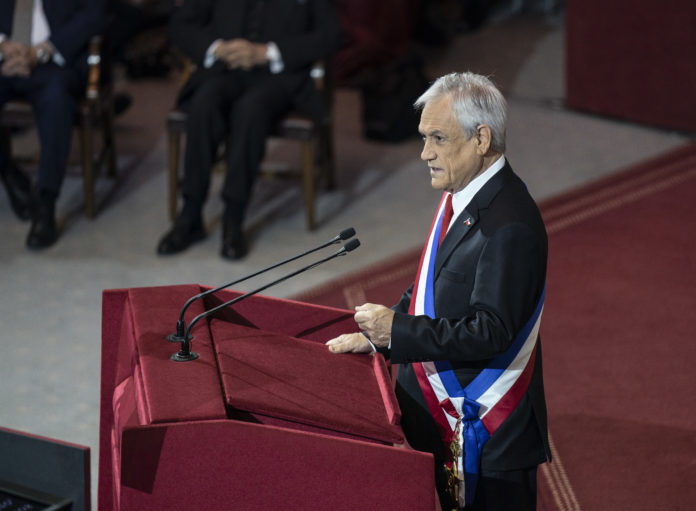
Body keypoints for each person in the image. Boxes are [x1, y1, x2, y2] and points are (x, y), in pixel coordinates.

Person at [326, 72, 551, 510]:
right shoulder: (462, 195)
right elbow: (430, 288)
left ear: (481, 139)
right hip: (447, 423)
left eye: (438, 139)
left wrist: (399, 334)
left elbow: (491, 332)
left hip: (487, 437)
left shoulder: (510, 226)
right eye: (423, 138)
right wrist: (378, 334)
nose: (424, 153)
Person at [156, 0, 342, 260]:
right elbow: (180, 23)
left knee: (251, 110)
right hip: (224, 69)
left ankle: (234, 216)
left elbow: (331, 34)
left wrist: (268, 53)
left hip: (280, 76)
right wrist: (217, 48)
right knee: (204, 101)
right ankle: (190, 214)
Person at [0, 0, 106, 249]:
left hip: (56, 62)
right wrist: (3, 46)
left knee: (57, 100)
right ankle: (9, 173)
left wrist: (40, 51)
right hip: (4, 60)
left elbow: (95, 13)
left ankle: (45, 202)